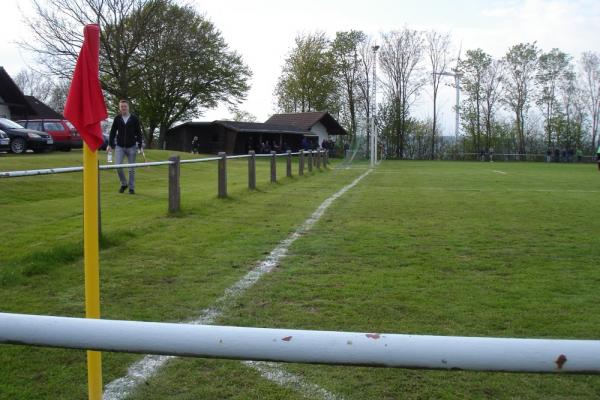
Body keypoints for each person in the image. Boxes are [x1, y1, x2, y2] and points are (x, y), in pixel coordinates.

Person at [107, 99, 143, 194]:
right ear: (120, 108)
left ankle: (131, 188)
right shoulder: (117, 118)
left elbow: (139, 133)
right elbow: (113, 132)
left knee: (131, 169)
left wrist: (140, 145)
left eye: (125, 106)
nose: (123, 108)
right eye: (122, 107)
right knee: (118, 166)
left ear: (128, 107)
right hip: (119, 147)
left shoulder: (134, 118)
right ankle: (124, 184)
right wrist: (110, 144)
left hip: (132, 147)